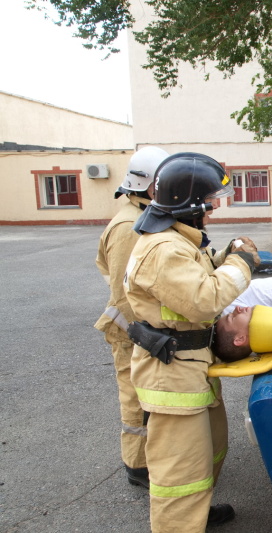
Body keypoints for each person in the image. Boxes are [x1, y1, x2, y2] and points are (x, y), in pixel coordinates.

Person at [124, 152, 260, 532]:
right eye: (210, 202)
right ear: (190, 206)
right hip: (172, 374)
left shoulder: (178, 242)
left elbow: (192, 276)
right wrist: (242, 264)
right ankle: (179, 525)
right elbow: (202, 300)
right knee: (180, 470)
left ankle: (195, 515)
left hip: (191, 366)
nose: (214, 209)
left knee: (207, 454)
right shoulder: (163, 249)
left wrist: (224, 257)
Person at [94, 146, 169, 489]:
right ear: (150, 185)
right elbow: (124, 292)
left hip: (139, 330)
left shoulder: (144, 215)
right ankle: (138, 466)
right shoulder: (129, 226)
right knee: (136, 400)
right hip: (130, 331)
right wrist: (144, 334)